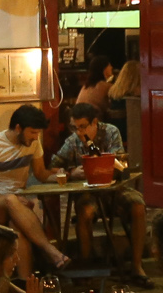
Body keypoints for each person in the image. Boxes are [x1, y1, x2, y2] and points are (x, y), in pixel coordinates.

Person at [50, 103, 149, 273]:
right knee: (85, 211)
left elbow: (120, 164)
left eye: (83, 127)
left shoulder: (110, 132)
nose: (79, 132)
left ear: (94, 122)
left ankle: (137, 265)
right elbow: (53, 166)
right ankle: (87, 266)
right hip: (89, 193)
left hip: (116, 188)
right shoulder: (73, 141)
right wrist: (72, 172)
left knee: (137, 206)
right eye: (75, 127)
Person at [0, 106, 71, 273]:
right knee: (11, 199)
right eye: (32, 132)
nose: (35, 137)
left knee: (18, 229)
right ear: (18, 128)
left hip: (19, 206)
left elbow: (41, 174)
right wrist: (11, 199)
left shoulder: (33, 144)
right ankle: (50, 251)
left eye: (37, 133)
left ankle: (26, 286)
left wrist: (62, 175)